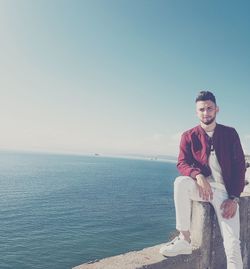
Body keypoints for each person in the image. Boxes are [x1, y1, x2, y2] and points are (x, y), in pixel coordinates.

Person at [159, 91, 246, 269]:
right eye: (201, 109)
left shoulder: (230, 134)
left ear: (217, 109)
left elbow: (239, 167)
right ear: (196, 112)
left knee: (232, 246)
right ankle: (184, 239)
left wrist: (234, 198)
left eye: (209, 108)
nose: (206, 113)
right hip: (202, 189)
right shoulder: (188, 136)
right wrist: (197, 175)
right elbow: (181, 163)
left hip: (225, 193)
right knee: (180, 183)